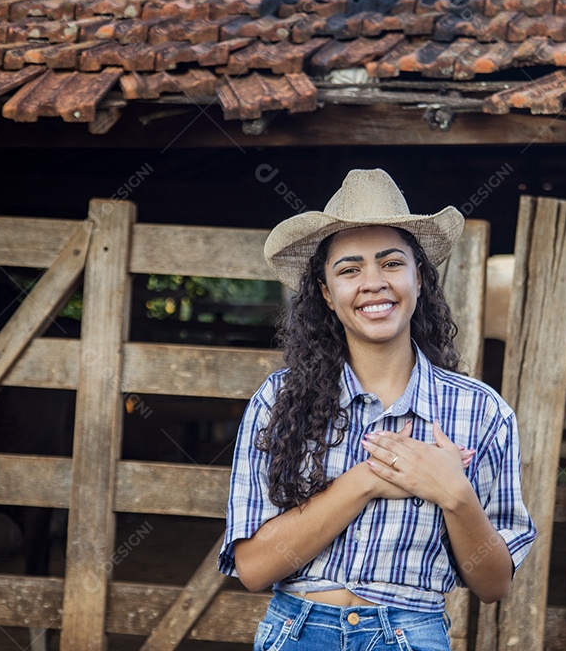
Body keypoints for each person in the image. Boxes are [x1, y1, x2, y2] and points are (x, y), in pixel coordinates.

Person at [219, 169, 536, 650]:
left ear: (419, 279)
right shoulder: (280, 400)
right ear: (326, 292)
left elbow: (493, 585)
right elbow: (254, 568)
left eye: (391, 263)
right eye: (349, 269)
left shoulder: (482, 412)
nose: (373, 283)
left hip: (412, 636)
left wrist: (455, 493)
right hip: (298, 633)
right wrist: (366, 480)